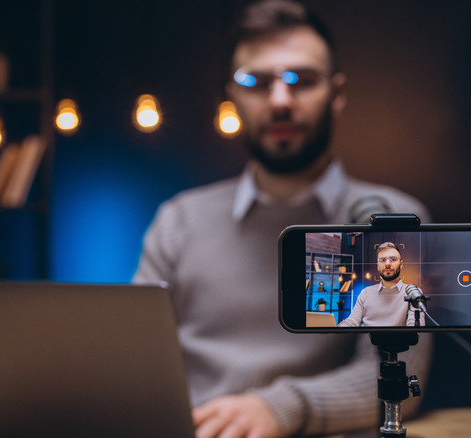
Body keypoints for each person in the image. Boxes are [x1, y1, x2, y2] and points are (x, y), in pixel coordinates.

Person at [133, 1, 433, 436]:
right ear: (232, 96)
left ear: (338, 92)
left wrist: (280, 408)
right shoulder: (178, 221)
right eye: (256, 82)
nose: (279, 100)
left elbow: (400, 381)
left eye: (303, 80)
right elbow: (136, 365)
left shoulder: (390, 221)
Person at [339, 242, 426, 327]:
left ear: (401, 264)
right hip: (367, 341)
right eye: (382, 260)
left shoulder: (413, 293)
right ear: (378, 265)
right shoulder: (365, 293)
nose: (387, 264)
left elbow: (415, 330)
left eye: (393, 259)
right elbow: (352, 321)